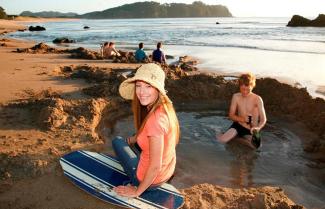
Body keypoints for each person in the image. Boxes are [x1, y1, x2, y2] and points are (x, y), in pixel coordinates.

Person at [112, 63, 180, 197]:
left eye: (148, 86)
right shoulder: (166, 108)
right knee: (136, 137)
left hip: (149, 180)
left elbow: (154, 166)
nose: (142, 92)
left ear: (157, 89)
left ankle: (138, 182)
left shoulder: (154, 121)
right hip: (167, 172)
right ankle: (132, 141)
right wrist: (133, 139)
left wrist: (137, 191)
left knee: (117, 141)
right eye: (138, 86)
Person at [217, 73, 266, 148]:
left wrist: (258, 128)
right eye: (243, 89)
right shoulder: (236, 97)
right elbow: (231, 115)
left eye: (248, 90)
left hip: (251, 129)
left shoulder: (257, 99)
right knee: (221, 140)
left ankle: (235, 138)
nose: (245, 92)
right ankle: (224, 134)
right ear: (239, 86)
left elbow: (263, 119)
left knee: (256, 147)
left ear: (252, 86)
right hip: (238, 125)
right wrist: (243, 119)